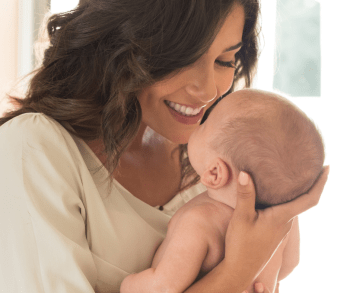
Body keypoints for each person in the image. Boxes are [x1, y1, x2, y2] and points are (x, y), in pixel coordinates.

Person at [0, 0, 329, 292]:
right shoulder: (35, 151)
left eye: (225, 61)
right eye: (184, 58)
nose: (206, 90)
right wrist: (236, 273)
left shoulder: (216, 167)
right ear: (120, 44)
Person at [120, 88, 325, 293]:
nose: (199, 122)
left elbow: (162, 288)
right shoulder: (276, 228)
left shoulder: (200, 221)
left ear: (215, 173)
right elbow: (289, 265)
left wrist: (127, 285)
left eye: (205, 124)